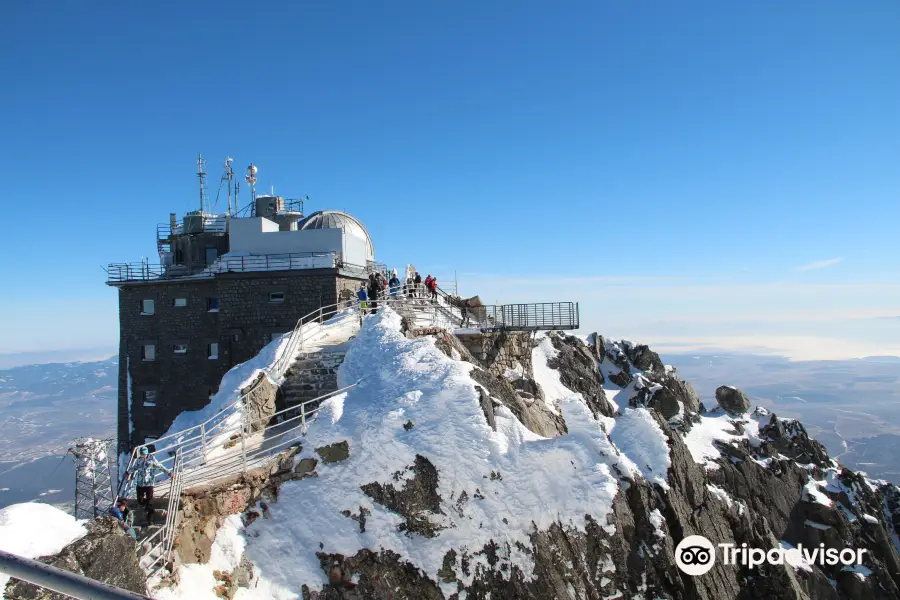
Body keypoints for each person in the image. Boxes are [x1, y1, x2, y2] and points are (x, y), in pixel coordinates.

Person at [128, 447, 171, 523]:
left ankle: (150, 520)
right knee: (140, 500)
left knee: (150, 502)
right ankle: (147, 507)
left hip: (149, 484)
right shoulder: (139, 460)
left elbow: (160, 466)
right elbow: (135, 467)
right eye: (141, 454)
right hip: (140, 483)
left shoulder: (152, 460)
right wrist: (128, 472)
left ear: (147, 453)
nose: (143, 455)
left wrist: (169, 472)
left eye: (144, 454)